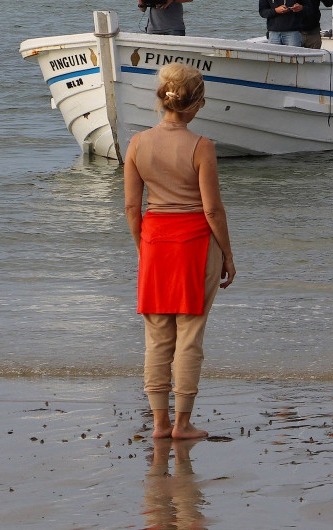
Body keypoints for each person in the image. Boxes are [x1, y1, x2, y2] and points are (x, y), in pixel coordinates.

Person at [124, 63, 236, 439]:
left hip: (155, 242)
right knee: (190, 335)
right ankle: (183, 423)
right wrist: (229, 255)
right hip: (195, 245)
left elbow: (131, 207)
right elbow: (212, 209)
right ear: (197, 104)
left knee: (157, 337)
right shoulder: (201, 147)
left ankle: (158, 423)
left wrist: (144, 247)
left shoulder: (137, 144)